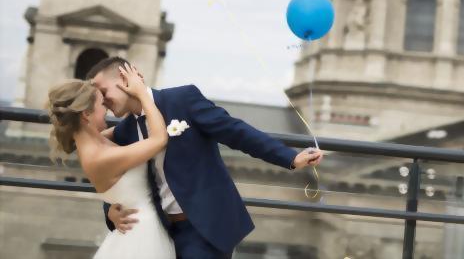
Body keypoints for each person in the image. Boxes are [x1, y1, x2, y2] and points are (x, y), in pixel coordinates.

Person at [88, 57, 323, 258]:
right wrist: (109, 210)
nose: (101, 100)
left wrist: (290, 158)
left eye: (103, 91)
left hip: (204, 226)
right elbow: (115, 176)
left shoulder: (183, 99)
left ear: (129, 77)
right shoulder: (125, 131)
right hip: (161, 232)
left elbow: (235, 131)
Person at [48, 63, 175, 258]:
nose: (106, 106)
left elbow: (128, 128)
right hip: (141, 232)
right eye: (101, 104)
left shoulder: (94, 141)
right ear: (86, 114)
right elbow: (159, 139)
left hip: (137, 225)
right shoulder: (100, 157)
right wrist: (141, 93)